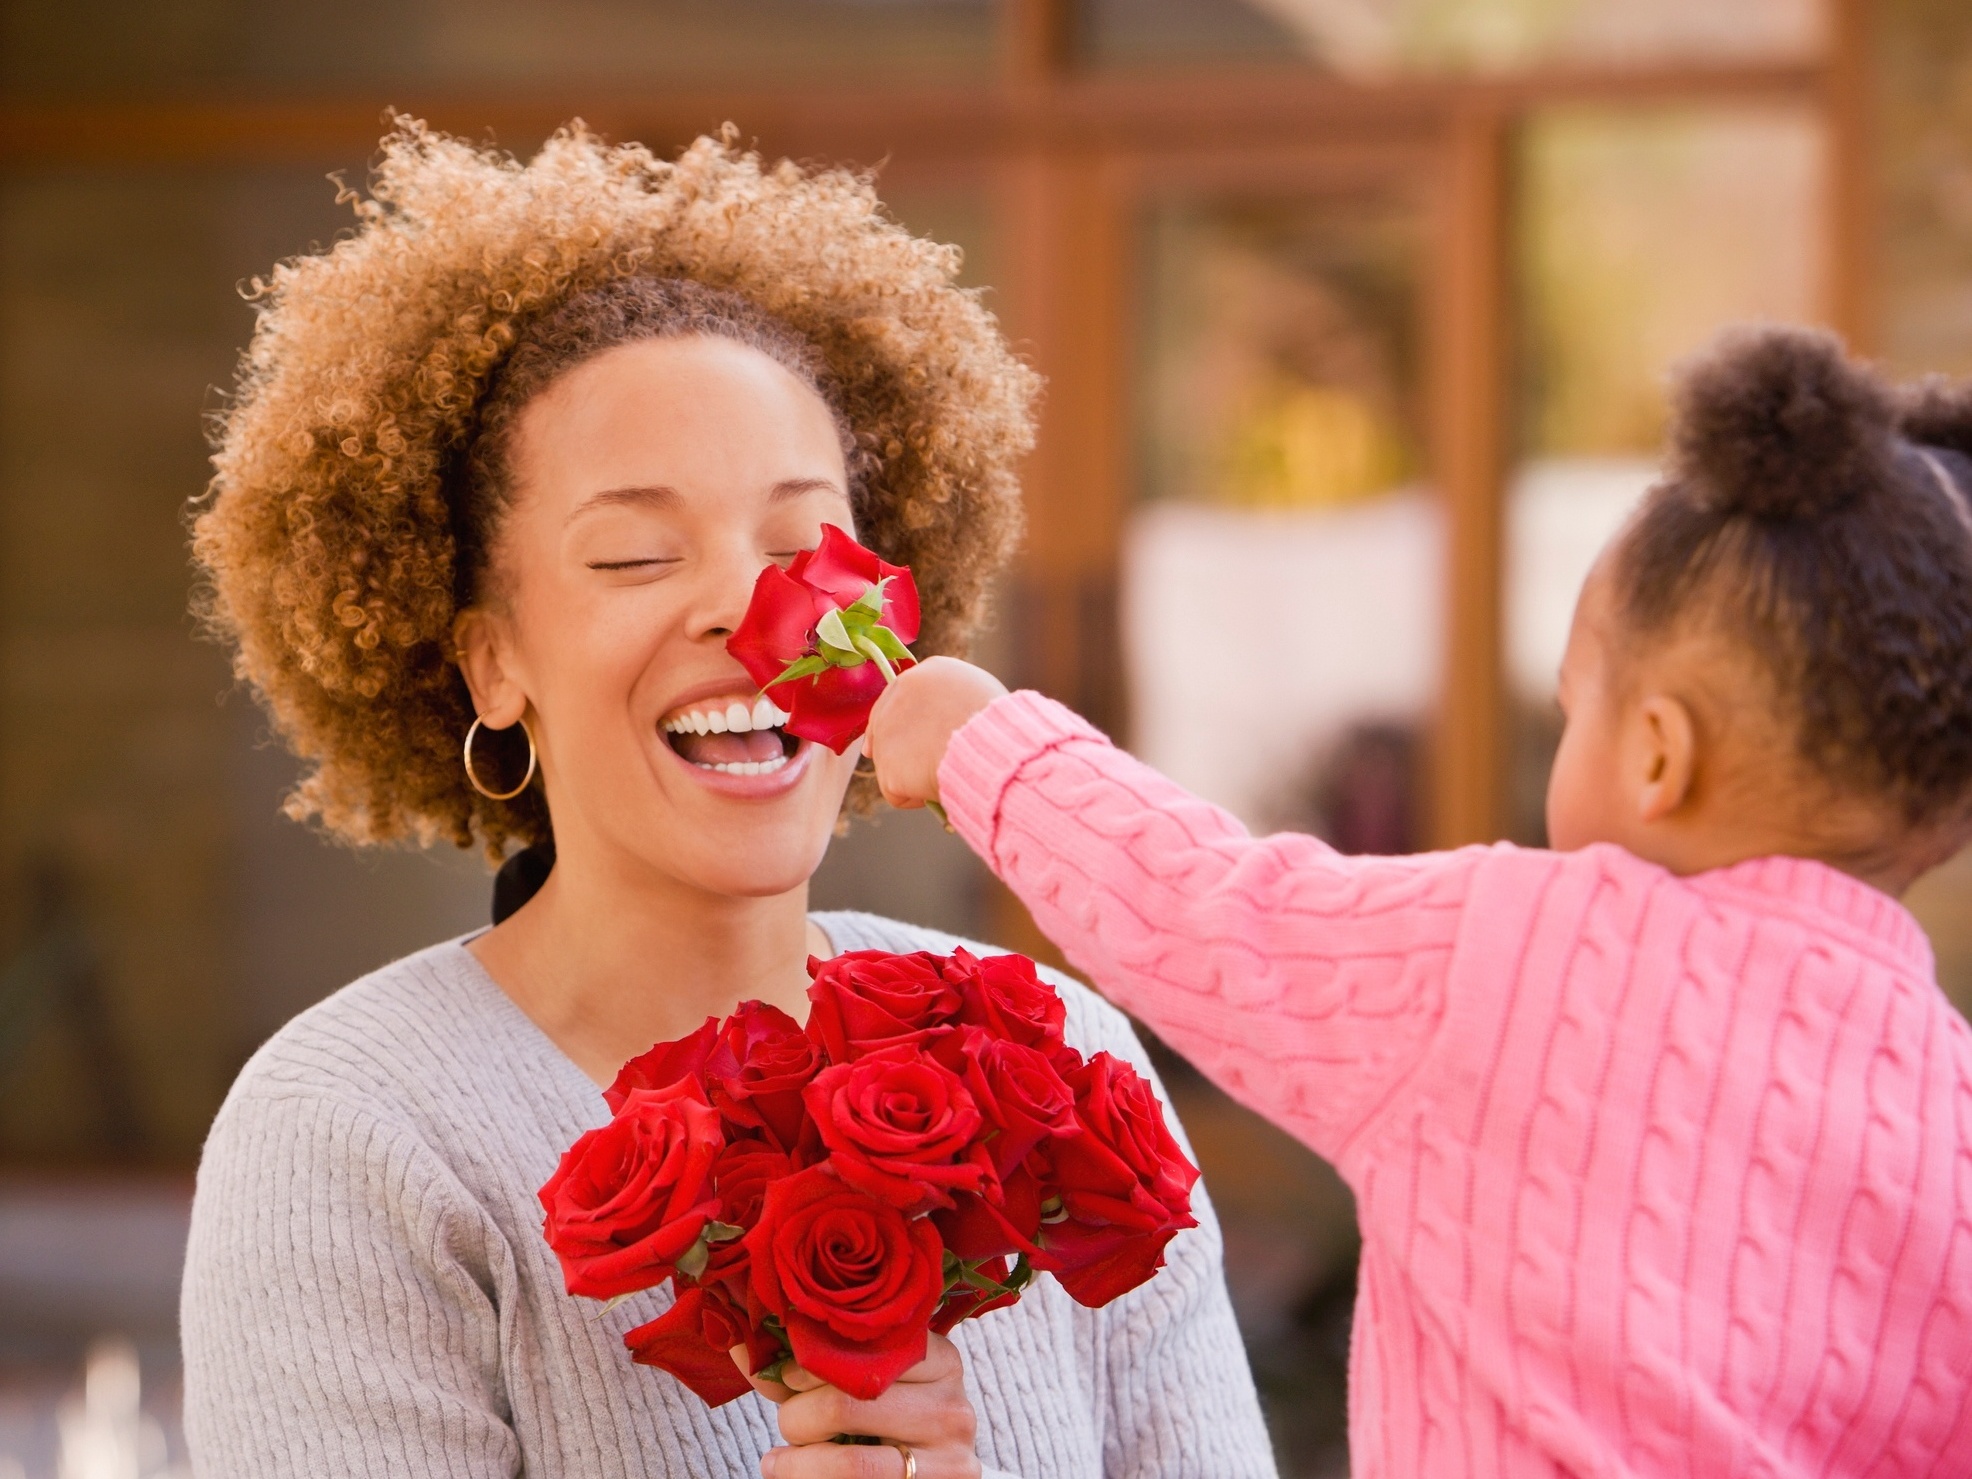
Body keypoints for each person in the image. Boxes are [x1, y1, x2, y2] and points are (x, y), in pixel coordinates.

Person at [180, 120, 1275, 1479]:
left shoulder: (1058, 1068)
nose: (752, 611)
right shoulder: (353, 1135)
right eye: (636, 552)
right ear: (492, 659)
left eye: (803, 541)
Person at [868, 327, 1972, 1476]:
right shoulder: (1947, 1105)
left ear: (1656, 755)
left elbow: (1209, 914)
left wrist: (980, 744)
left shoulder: (1515, 954)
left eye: (1571, 701)